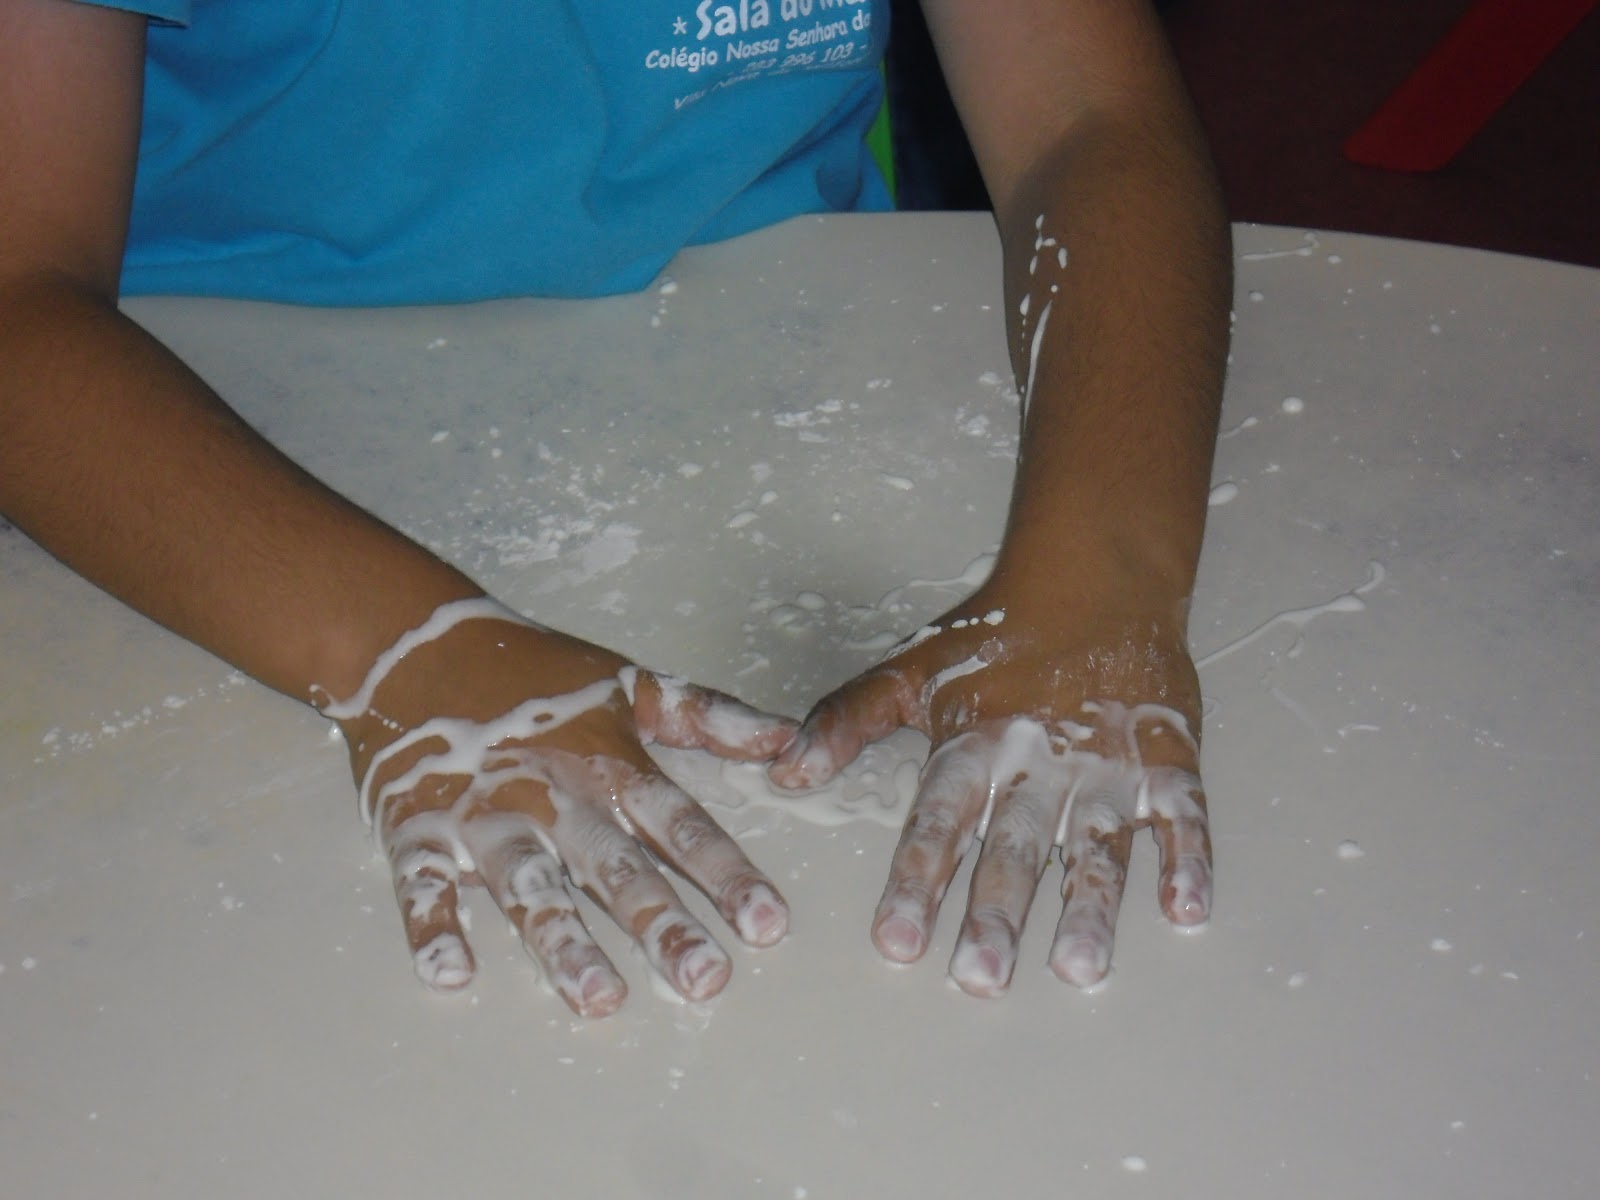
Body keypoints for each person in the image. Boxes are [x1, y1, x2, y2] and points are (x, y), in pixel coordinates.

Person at [0, 0, 1230, 1016]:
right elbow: (21, 294)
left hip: (799, 368)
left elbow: (1091, 119)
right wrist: (406, 648)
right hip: (204, 471)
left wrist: (1102, 574)